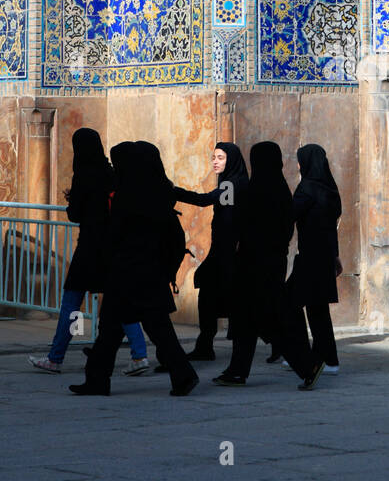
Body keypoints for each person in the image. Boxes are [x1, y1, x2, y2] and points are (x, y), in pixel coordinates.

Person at [70, 142, 199, 397]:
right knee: (153, 328)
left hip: (127, 275)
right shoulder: (159, 193)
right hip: (149, 275)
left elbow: (115, 236)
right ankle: (182, 375)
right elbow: (171, 238)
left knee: (111, 330)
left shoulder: (127, 197)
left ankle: (98, 380)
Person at [29, 128, 150, 376]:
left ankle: (55, 357)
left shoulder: (83, 174)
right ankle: (140, 355)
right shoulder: (110, 172)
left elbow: (75, 214)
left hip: (88, 249)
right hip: (111, 248)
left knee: (72, 304)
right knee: (120, 301)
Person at [212, 141, 296, 387]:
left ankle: (308, 364)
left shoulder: (253, 190)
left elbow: (241, 227)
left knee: (265, 319)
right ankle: (237, 370)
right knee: (248, 321)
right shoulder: (280, 189)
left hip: (254, 266)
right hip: (271, 262)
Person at [174, 143, 248, 362]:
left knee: (235, 300)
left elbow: (205, 201)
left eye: (221, 158)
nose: (215, 161)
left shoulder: (232, 185)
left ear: (231, 160)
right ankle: (205, 345)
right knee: (210, 293)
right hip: (223, 253)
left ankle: (272, 343)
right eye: (214, 157)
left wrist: (172, 191)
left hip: (229, 255)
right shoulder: (232, 183)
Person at [279, 144, 342, 379]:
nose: (297, 165)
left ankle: (301, 355)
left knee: (289, 302)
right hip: (324, 257)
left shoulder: (306, 189)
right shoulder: (330, 189)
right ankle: (327, 359)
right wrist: (335, 256)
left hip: (310, 257)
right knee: (317, 308)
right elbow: (332, 228)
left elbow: (289, 215)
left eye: (299, 160)